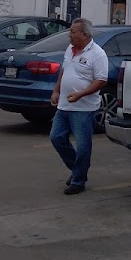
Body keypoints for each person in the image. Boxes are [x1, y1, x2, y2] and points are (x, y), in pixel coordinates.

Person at [49, 18, 110, 195]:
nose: (69, 35)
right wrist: (56, 91)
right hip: (64, 105)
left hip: (84, 108)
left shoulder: (97, 54)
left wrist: (80, 94)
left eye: (73, 32)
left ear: (84, 34)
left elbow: (101, 80)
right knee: (56, 138)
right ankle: (78, 170)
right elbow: (64, 71)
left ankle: (78, 181)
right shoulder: (70, 49)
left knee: (83, 146)